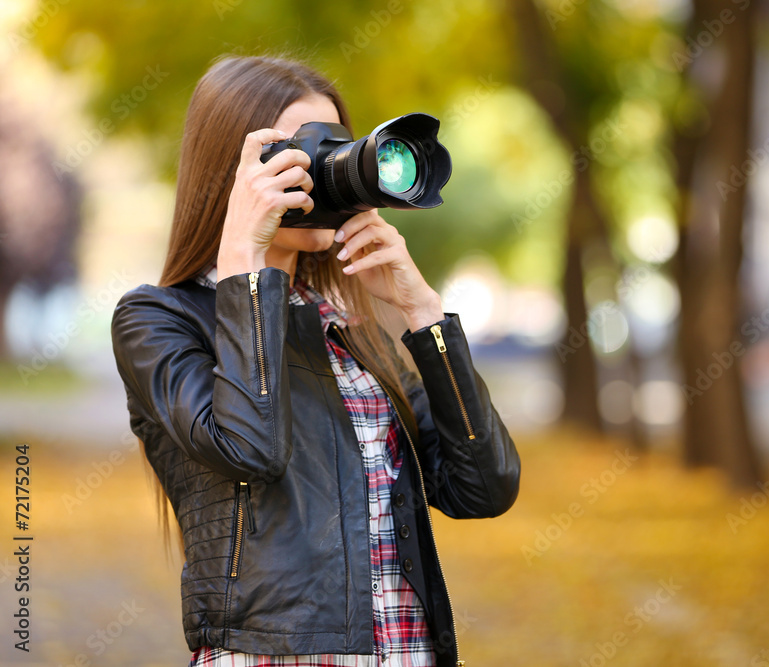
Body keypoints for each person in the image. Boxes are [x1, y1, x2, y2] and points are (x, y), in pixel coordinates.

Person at [110, 54, 520, 667]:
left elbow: (483, 488)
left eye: (336, 148)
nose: (326, 171)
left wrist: (423, 314)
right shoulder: (160, 321)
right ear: (234, 173)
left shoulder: (354, 328)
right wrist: (246, 260)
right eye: (302, 152)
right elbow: (249, 449)